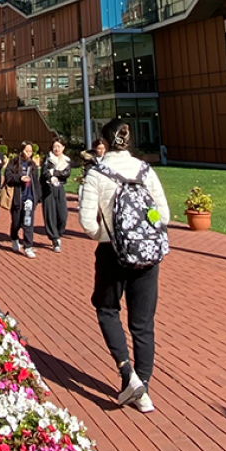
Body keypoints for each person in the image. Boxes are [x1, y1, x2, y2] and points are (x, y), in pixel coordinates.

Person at [79, 120, 171, 414]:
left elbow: (86, 221)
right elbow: (163, 214)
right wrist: (144, 225)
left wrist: (105, 235)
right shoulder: (145, 170)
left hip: (111, 252)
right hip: (147, 253)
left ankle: (127, 374)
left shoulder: (97, 173)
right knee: (143, 324)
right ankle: (143, 387)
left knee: (107, 309)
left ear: (104, 141)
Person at [6, 141, 40, 259]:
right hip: (17, 198)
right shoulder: (14, 162)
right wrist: (20, 178)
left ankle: (28, 247)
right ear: (21, 150)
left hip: (29, 197)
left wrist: (37, 197)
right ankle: (14, 238)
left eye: (30, 151)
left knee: (28, 223)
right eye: (26, 150)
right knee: (16, 222)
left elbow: (36, 181)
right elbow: (8, 178)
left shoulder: (33, 165)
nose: (28, 153)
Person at [41, 137, 72, 253]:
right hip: (49, 189)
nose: (57, 149)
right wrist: (51, 175)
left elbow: (66, 173)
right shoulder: (48, 159)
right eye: (55, 146)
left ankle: (59, 233)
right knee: (50, 214)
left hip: (60, 188)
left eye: (59, 146)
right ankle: (54, 239)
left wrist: (54, 172)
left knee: (63, 215)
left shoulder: (66, 160)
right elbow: (44, 172)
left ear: (63, 147)